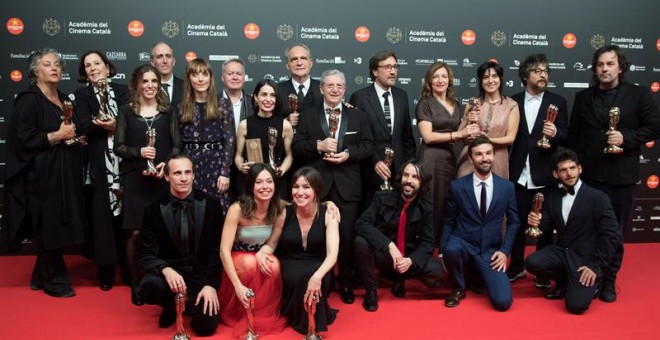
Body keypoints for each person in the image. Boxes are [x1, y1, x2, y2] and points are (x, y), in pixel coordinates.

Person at [569, 45, 660, 302]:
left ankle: (609, 280)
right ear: (595, 69)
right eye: (600, 65)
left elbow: (654, 127)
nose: (605, 69)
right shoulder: (583, 98)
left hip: (621, 177)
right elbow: (575, 137)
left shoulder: (638, 95)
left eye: (610, 64)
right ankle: (587, 276)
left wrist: (626, 138)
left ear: (620, 67)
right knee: (588, 229)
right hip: (589, 177)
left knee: (614, 231)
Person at [5, 48, 86, 298]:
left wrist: (75, 138)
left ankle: (39, 276)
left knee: (60, 223)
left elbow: (71, 130)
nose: (55, 68)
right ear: (35, 71)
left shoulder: (64, 99)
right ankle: (55, 281)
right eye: (47, 64)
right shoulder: (29, 99)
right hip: (42, 175)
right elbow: (21, 138)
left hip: (65, 173)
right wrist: (55, 136)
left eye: (58, 65)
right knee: (49, 225)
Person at [292, 69, 374, 305]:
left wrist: (348, 154)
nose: (335, 89)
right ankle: (323, 282)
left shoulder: (357, 116)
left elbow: (368, 146)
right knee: (317, 237)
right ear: (321, 89)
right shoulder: (308, 116)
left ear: (344, 89)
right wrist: (318, 146)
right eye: (330, 85)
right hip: (317, 187)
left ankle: (345, 281)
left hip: (348, 187)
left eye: (339, 85)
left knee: (347, 238)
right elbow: (297, 147)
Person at [114, 64, 181, 305]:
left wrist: (165, 163)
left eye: (154, 81)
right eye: (145, 81)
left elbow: (176, 145)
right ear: (137, 85)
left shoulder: (168, 111)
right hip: (135, 178)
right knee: (134, 232)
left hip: (161, 178)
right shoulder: (126, 112)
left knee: (162, 231)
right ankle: (135, 282)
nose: (150, 85)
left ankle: (159, 279)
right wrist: (139, 151)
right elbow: (118, 147)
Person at [525, 149, 622, 314]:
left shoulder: (597, 197)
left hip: (586, 259)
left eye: (572, 168)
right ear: (556, 174)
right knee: (532, 262)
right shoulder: (553, 197)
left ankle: (596, 283)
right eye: (563, 170)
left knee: (576, 306)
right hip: (563, 252)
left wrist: (595, 268)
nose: (569, 173)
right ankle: (564, 282)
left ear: (580, 169)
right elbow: (545, 228)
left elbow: (611, 236)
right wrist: (534, 223)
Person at [137, 154, 223, 335]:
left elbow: (218, 251)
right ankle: (171, 304)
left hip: (201, 276)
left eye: (187, 172)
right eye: (177, 173)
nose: (183, 178)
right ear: (167, 176)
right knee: (149, 285)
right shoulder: (153, 209)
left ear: (194, 175)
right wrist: (165, 270)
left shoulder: (212, 205)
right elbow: (145, 254)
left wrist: (210, 285)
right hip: (171, 276)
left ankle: (187, 303)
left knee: (205, 329)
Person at [507, 54, 569, 286]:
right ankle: (515, 267)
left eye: (546, 70)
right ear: (525, 76)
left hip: (546, 175)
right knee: (517, 223)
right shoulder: (512, 101)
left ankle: (543, 271)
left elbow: (567, 135)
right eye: (537, 70)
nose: (543, 74)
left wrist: (556, 134)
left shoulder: (558, 101)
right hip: (519, 176)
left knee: (545, 225)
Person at [256, 167, 339, 335]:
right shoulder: (284, 213)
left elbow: (332, 254)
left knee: (310, 275)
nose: (300, 192)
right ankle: (305, 321)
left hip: (320, 265)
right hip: (291, 263)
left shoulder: (328, 213)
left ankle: (311, 323)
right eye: (296, 187)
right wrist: (261, 252)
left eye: (306, 187)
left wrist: (318, 276)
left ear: (316, 190)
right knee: (300, 276)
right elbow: (271, 244)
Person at [441, 136, 519, 311]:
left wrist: (504, 251)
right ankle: (459, 288)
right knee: (451, 249)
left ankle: (478, 277)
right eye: (479, 154)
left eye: (488, 153)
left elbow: (514, 223)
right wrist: (443, 250)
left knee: (503, 302)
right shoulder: (458, 186)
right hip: (464, 243)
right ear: (471, 158)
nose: (484, 158)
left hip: (490, 251)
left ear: (494, 155)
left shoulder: (507, 187)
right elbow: (448, 220)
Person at [73, 50, 130, 291]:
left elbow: (134, 122)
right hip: (98, 163)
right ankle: (105, 271)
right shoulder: (81, 95)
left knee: (127, 218)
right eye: (88, 65)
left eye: (97, 63)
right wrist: (108, 125)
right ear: (84, 72)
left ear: (107, 67)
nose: (93, 68)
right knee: (102, 218)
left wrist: (116, 126)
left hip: (125, 162)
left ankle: (129, 270)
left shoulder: (124, 91)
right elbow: (84, 126)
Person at [354, 160, 444, 312]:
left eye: (415, 177)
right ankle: (371, 289)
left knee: (436, 272)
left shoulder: (426, 207)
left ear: (422, 183)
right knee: (361, 242)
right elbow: (362, 224)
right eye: (406, 175)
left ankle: (400, 277)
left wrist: (411, 261)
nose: (409, 180)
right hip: (385, 254)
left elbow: (428, 242)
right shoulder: (382, 198)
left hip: (408, 256)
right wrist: (388, 245)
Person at [218, 163, 287, 336]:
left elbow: (306, 200)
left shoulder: (279, 207)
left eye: (269, 182)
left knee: (274, 265)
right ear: (251, 186)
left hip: (263, 253)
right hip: (237, 258)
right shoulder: (237, 209)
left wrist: (329, 203)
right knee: (249, 263)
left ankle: (262, 313)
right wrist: (238, 286)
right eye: (259, 182)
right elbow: (223, 250)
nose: (265, 187)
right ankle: (241, 312)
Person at [415, 61, 476, 245]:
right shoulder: (424, 104)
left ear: (449, 79)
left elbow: (458, 132)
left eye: (444, 76)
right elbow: (428, 137)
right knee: (429, 202)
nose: (440, 80)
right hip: (430, 159)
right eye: (435, 76)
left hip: (449, 159)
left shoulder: (454, 103)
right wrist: (460, 132)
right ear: (429, 81)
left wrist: (466, 117)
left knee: (444, 202)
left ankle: (441, 246)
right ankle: (425, 244)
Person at [349, 50, 417, 210]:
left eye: (395, 67)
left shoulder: (402, 96)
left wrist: (409, 167)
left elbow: (407, 136)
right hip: (372, 174)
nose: (393, 71)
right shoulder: (360, 97)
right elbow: (357, 139)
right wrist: (374, 161)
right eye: (387, 67)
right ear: (374, 71)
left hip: (399, 174)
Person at [179, 58, 235, 215]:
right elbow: (178, 142)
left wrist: (225, 173)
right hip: (190, 164)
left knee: (217, 211)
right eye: (195, 74)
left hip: (216, 164)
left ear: (210, 77)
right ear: (189, 78)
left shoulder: (222, 104)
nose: (200, 79)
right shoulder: (182, 107)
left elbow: (230, 141)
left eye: (204, 74)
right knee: (192, 211)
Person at [456, 61, 520, 179]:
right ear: (480, 81)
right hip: (470, 159)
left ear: (500, 79)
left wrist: (487, 139)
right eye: (485, 77)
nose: (490, 81)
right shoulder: (473, 103)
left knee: (496, 195)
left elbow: (510, 138)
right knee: (465, 195)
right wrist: (466, 118)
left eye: (495, 76)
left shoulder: (511, 105)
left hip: (497, 159)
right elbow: (460, 137)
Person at [234, 79, 294, 197]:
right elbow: (238, 156)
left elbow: (289, 155)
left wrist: (281, 170)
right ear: (256, 98)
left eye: (272, 95)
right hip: (251, 182)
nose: (268, 99)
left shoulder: (285, 125)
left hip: (276, 182)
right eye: (264, 94)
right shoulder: (244, 125)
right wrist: (241, 166)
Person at [277, 43, 323, 126]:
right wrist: (284, 122)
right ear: (287, 65)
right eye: (294, 59)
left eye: (303, 58)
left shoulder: (323, 89)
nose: (299, 63)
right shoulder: (277, 90)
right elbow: (267, 123)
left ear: (311, 63)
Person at [221, 58, 253, 134]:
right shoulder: (212, 103)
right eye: (230, 74)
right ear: (222, 77)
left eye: (239, 74)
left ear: (244, 77)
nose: (235, 77)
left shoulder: (254, 103)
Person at [151, 42, 183, 107]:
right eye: (159, 57)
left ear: (173, 61)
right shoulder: (145, 88)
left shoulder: (186, 87)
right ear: (152, 62)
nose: (165, 61)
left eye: (168, 56)